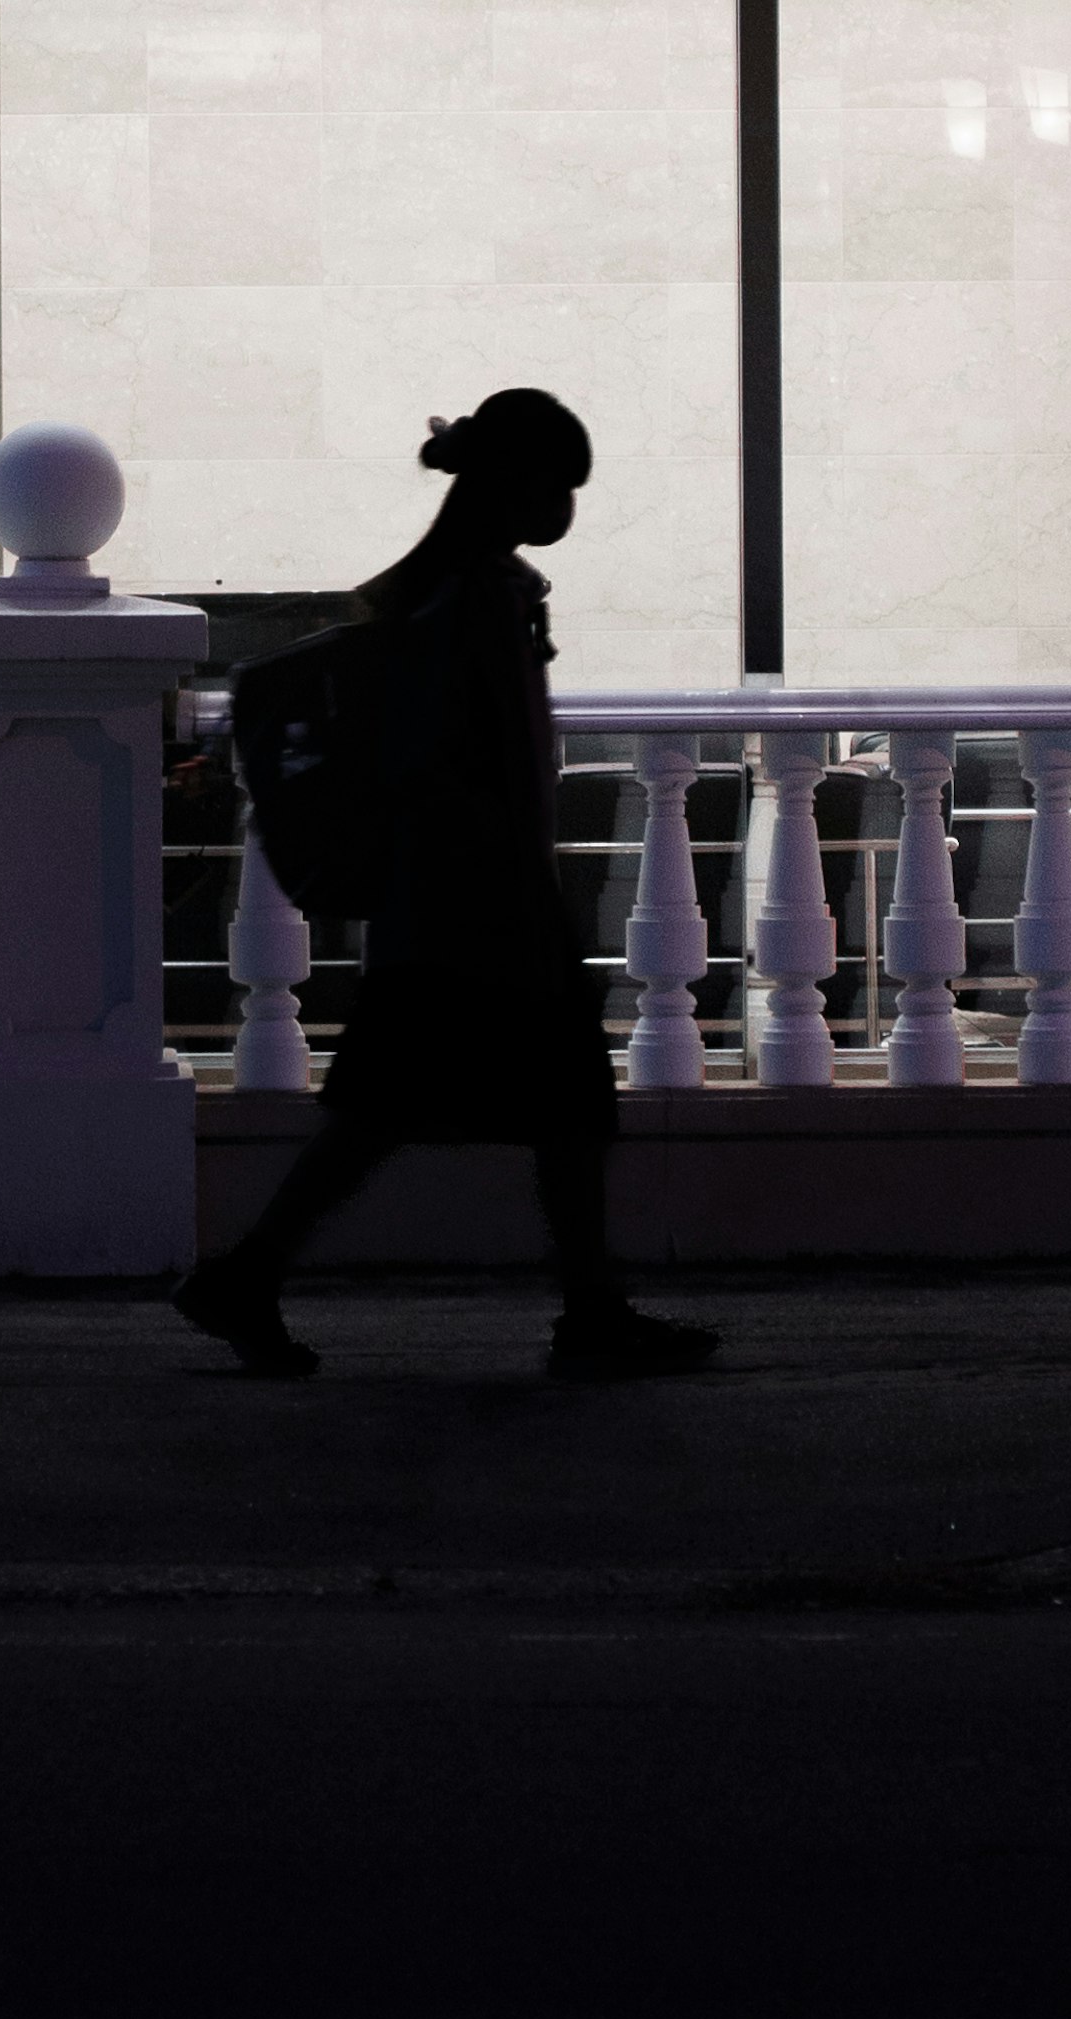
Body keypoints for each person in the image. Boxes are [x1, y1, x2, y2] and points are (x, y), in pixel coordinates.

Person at [173, 388, 720, 1383]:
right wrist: (523, 898)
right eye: (558, 485)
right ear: (513, 483)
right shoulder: (471, 600)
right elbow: (468, 760)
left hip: (452, 905)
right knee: (465, 1110)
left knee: (487, 1108)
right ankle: (255, 1276)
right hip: (478, 908)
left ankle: (258, 1277)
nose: (567, 507)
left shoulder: (454, 590)